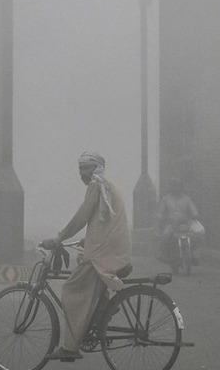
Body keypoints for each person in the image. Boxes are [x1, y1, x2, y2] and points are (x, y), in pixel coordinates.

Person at [40, 152, 131, 361]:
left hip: (105, 252)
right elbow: (102, 220)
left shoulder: (96, 185)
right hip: (114, 248)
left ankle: (70, 348)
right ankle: (100, 313)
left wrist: (57, 239)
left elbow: (81, 217)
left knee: (71, 289)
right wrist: (87, 240)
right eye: (80, 168)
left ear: (97, 168)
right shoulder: (106, 185)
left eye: (86, 168)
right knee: (85, 278)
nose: (82, 173)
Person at [154, 177, 200, 264]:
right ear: (171, 187)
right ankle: (163, 254)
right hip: (171, 224)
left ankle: (194, 255)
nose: (177, 188)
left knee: (197, 235)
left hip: (185, 224)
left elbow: (193, 208)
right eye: (175, 186)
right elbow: (160, 212)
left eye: (179, 186)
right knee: (165, 235)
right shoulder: (166, 199)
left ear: (182, 187)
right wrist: (161, 217)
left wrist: (195, 214)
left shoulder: (187, 199)